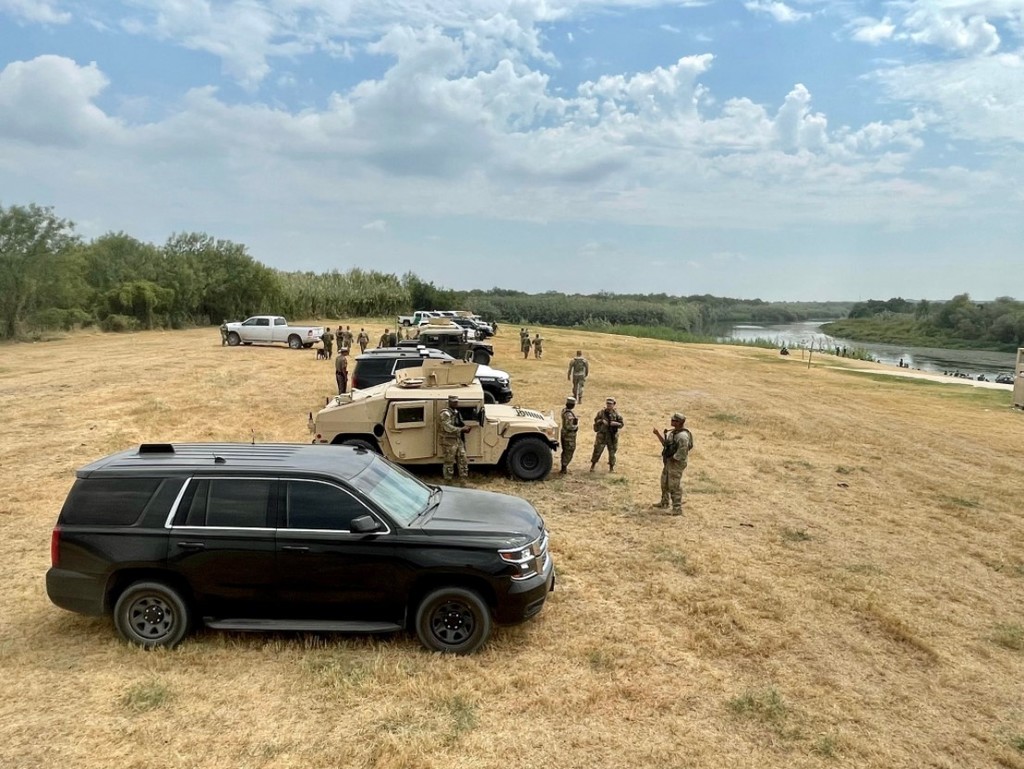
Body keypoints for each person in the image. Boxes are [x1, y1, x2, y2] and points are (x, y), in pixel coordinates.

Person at [652, 413, 693, 514]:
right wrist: (657, 434)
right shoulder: (673, 433)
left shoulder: (682, 436)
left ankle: (677, 508)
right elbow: (666, 444)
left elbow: (682, 453)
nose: (672, 421)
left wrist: (672, 458)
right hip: (669, 462)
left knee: (674, 485)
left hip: (676, 463)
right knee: (664, 482)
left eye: (674, 420)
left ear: (679, 422)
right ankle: (664, 502)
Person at [438, 394, 471, 481]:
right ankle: (448, 479)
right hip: (448, 440)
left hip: (458, 439)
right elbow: (447, 427)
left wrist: (465, 428)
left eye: (456, 402)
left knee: (463, 459)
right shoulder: (445, 413)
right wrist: (461, 429)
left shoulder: (456, 413)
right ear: (449, 402)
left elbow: (459, 423)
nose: (456, 403)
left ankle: (463, 478)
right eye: (453, 402)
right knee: (449, 460)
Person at [590, 397, 624, 472]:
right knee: (597, 451)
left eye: (610, 404)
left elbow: (621, 424)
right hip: (602, 435)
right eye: (607, 403)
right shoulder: (601, 413)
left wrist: (615, 423)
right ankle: (593, 465)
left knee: (612, 452)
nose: (609, 405)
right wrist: (601, 421)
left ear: (614, 404)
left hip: (612, 436)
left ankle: (611, 468)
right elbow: (596, 421)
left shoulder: (617, 414)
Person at [559, 396, 579, 474]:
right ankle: (564, 467)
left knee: (565, 450)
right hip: (569, 435)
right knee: (569, 451)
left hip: (564, 434)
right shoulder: (569, 414)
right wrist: (576, 427)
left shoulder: (564, 410)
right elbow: (569, 426)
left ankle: (564, 467)